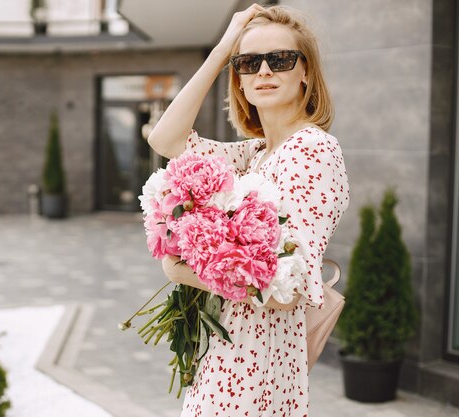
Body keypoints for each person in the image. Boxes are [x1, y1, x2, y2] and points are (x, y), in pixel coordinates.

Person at [147, 4, 350, 416]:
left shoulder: (312, 150)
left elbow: (290, 290)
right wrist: (223, 49)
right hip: (229, 353)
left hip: (258, 366)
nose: (264, 72)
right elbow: (166, 140)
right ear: (238, 80)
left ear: (305, 72)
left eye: (280, 59)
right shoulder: (255, 154)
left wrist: (181, 270)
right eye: (248, 63)